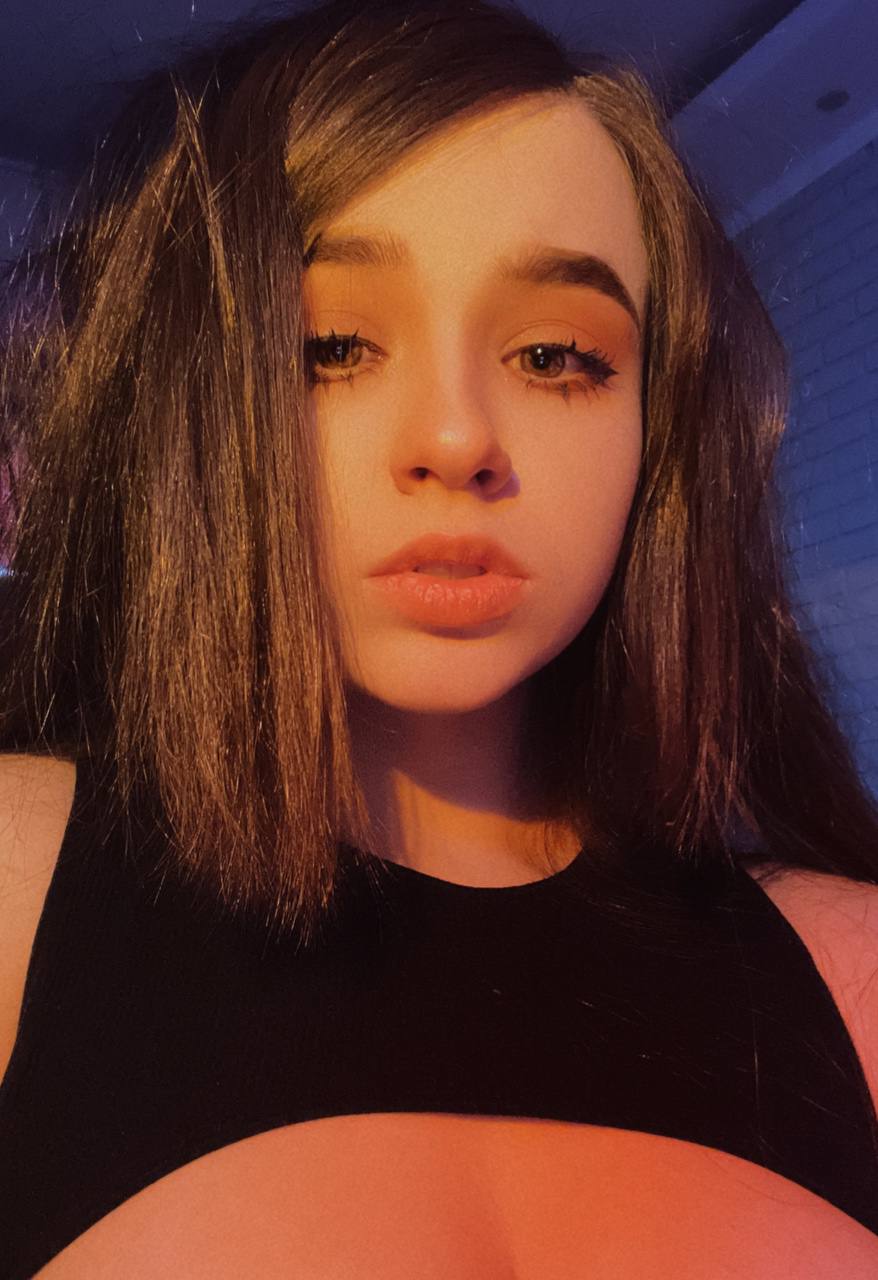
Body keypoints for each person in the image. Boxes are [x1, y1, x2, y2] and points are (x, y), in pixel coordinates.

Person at [1, 0, 877, 1274]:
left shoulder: (846, 972)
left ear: (660, 426)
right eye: (331, 344)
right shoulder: (17, 892)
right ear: (190, 393)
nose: (458, 437)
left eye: (556, 355)